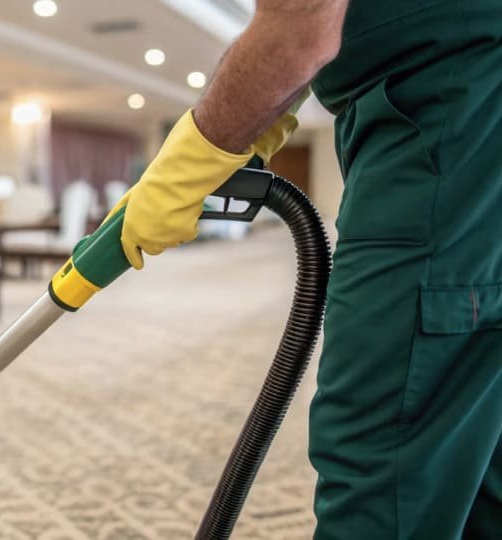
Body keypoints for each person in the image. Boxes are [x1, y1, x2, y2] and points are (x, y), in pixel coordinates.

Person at [115, 1, 500, 537]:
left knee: (382, 468)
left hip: (444, 125)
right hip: (469, 115)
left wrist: (199, 148)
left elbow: (301, 21)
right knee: (476, 457)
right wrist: (261, 107)